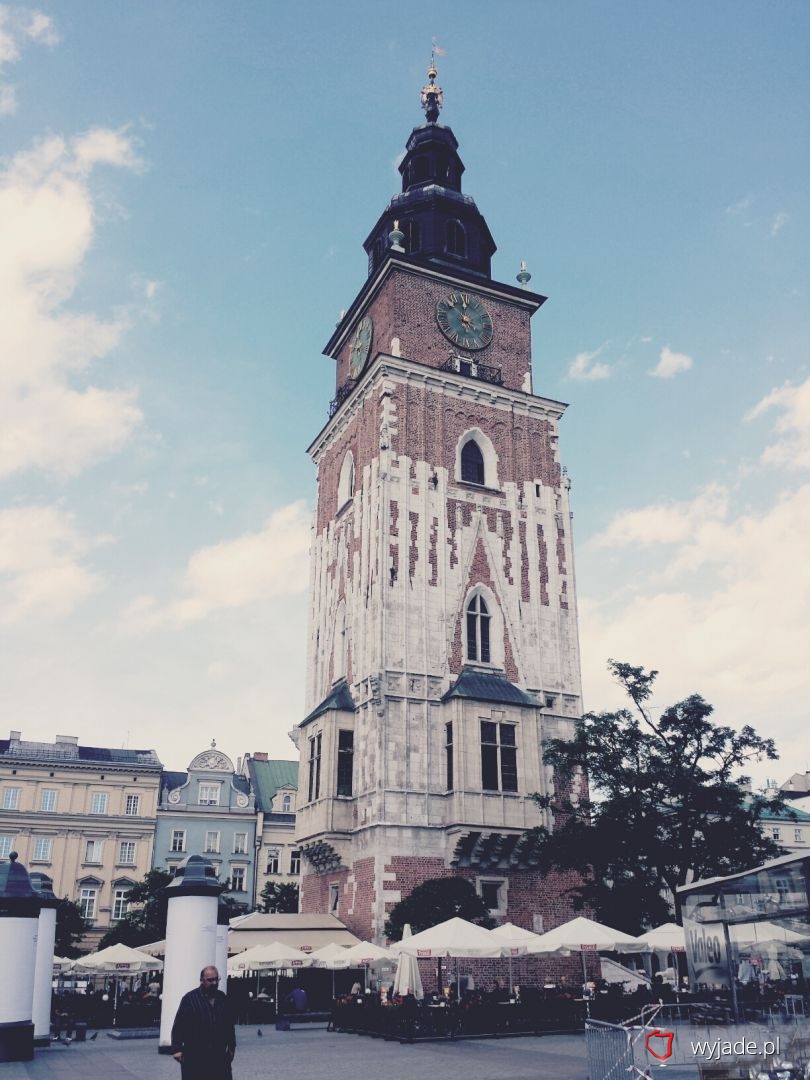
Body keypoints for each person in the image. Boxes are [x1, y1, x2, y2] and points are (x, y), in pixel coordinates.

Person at [171, 966, 236, 1080]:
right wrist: (177, 1049)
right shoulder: (189, 999)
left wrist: (231, 1047)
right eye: (210, 980)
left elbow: (229, 1025)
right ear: (201, 980)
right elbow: (179, 1025)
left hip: (219, 1055)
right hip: (195, 1055)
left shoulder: (222, 998)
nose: (214, 983)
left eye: (217, 979)